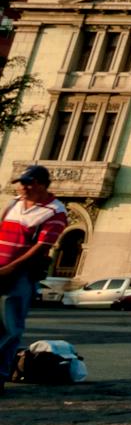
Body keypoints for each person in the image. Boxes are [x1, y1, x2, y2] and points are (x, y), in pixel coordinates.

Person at [1, 164, 69, 398]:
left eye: (27, 183)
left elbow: (41, 247)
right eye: (20, 183)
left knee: (10, 326)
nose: (22, 188)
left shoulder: (55, 211)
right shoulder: (14, 203)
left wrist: (11, 268)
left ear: (40, 185)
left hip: (18, 275)